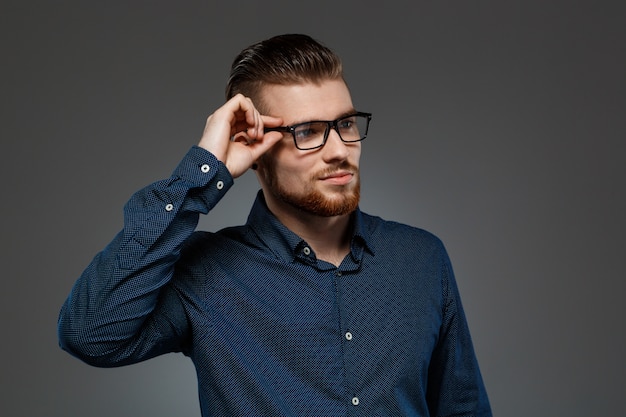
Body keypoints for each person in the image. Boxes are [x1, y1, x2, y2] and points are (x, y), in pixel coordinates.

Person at [58, 33, 492, 416]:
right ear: (257, 149)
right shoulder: (206, 272)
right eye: (307, 131)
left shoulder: (420, 257)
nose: (339, 149)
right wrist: (204, 174)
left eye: (344, 123)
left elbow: (463, 408)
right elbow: (90, 333)